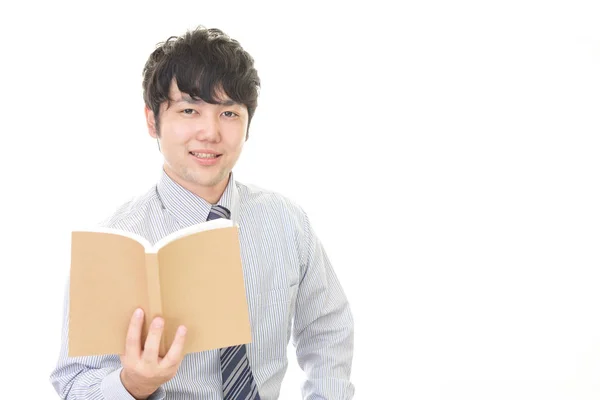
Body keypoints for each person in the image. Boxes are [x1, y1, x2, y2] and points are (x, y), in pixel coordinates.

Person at [49, 25, 355, 400]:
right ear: (152, 121)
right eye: (190, 110)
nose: (210, 132)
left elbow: (328, 329)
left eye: (228, 113)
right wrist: (133, 385)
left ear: (248, 124)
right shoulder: (113, 243)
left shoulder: (286, 221)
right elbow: (73, 382)